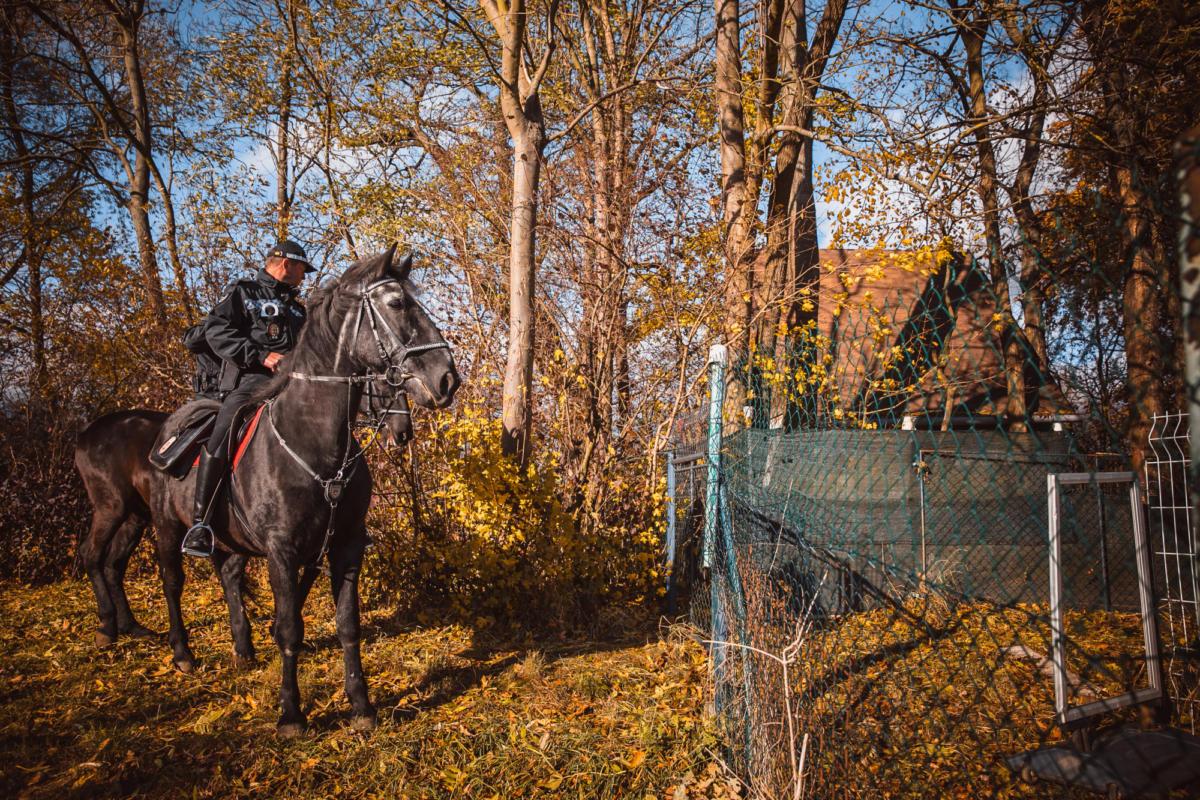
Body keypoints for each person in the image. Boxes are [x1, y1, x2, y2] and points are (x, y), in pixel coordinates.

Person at [180, 239, 314, 558]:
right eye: (302, 270)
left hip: (294, 384)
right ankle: (201, 524)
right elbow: (217, 330)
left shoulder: (298, 308)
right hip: (252, 380)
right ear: (285, 264)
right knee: (224, 429)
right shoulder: (244, 292)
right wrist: (262, 356)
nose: (304, 277)